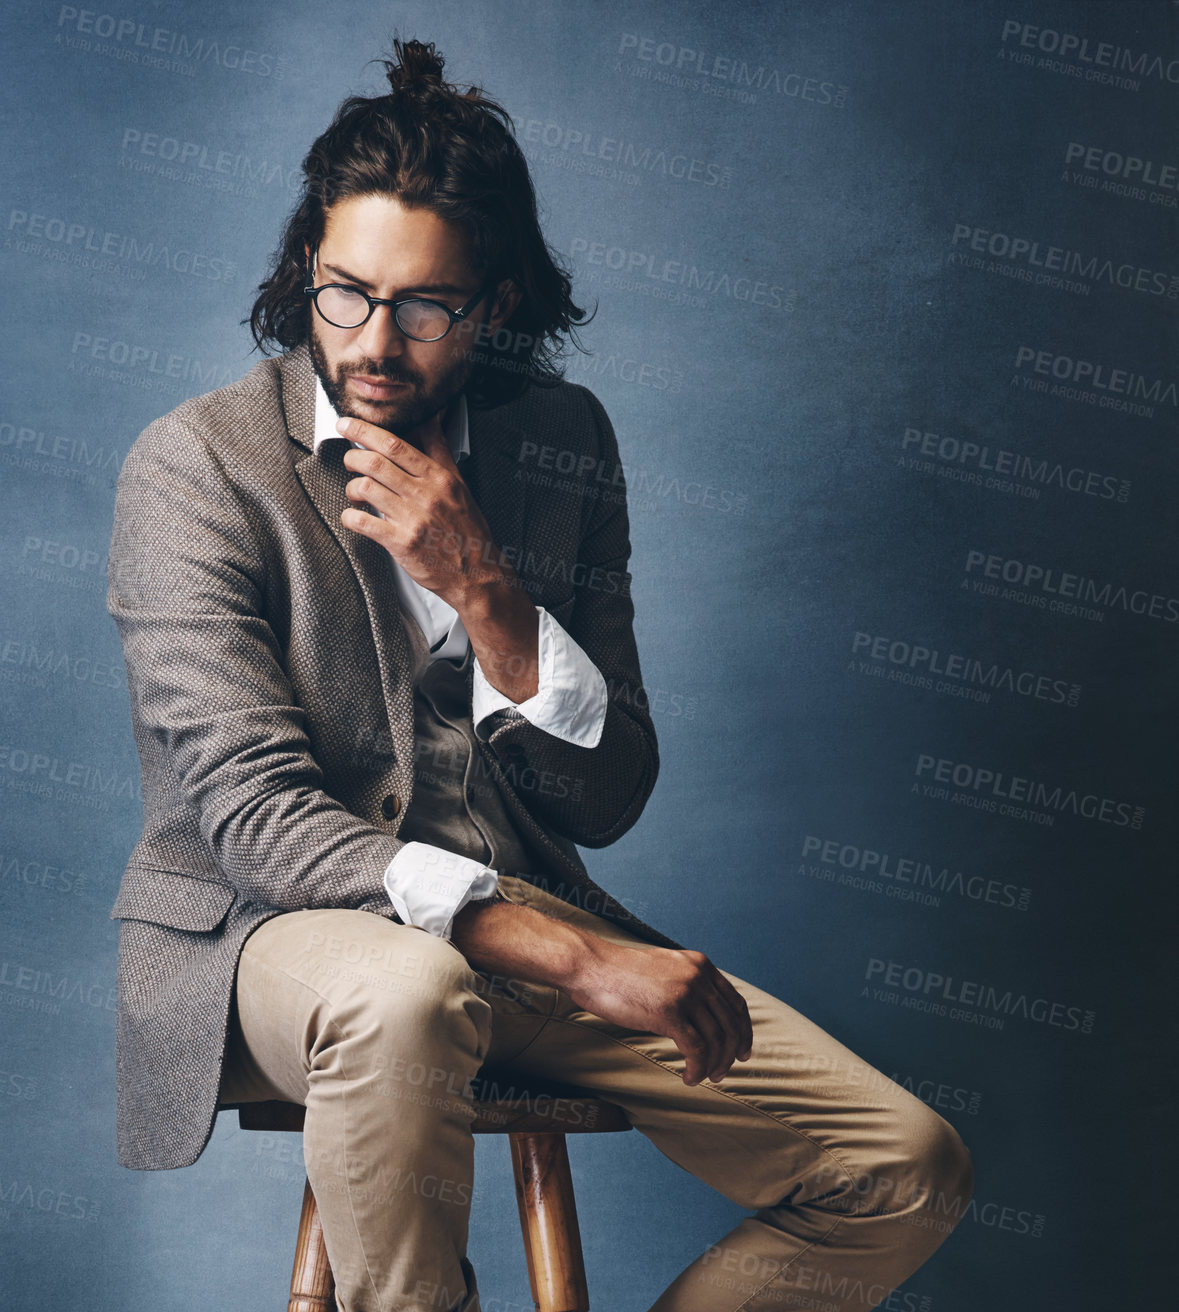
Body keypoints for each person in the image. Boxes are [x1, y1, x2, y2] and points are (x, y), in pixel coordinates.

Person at [106, 35, 973, 1312]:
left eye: (426, 305)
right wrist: (576, 960)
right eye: (343, 293)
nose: (374, 340)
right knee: (403, 991)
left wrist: (489, 596)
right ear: (305, 273)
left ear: (498, 305)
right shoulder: (193, 470)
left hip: (509, 940)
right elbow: (255, 823)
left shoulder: (559, 443)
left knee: (902, 1166)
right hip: (271, 943)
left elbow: (606, 796)